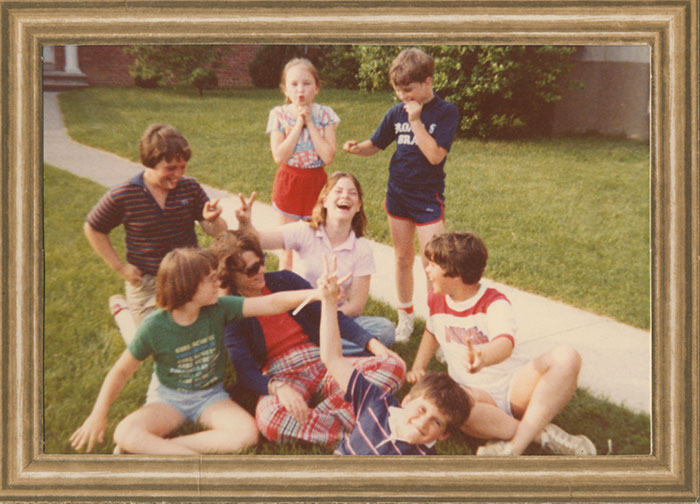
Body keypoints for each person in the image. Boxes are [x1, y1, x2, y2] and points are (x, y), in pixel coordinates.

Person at [70, 246, 327, 455]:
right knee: (124, 432)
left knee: (247, 434)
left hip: (210, 397)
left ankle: (159, 451)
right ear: (188, 286)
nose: (218, 282)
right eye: (210, 279)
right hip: (168, 399)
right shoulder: (155, 326)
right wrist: (97, 415)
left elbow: (270, 303)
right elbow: (121, 372)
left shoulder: (219, 308)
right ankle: (169, 454)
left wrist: (316, 293)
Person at [406, 231, 597, 456]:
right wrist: (419, 365)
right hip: (472, 393)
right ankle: (542, 435)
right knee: (458, 410)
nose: (427, 270)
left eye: (433, 265)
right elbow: (432, 331)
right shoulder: (437, 298)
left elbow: (504, 343)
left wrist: (484, 357)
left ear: (454, 272)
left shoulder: (494, 302)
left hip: (514, 387)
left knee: (567, 356)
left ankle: (514, 447)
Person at [212, 230, 405, 447]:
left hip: (322, 358)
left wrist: (374, 345)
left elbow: (333, 317)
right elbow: (245, 370)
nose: (262, 270)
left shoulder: (285, 280)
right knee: (270, 420)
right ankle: (366, 422)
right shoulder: (232, 310)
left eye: (262, 261)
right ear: (231, 276)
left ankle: (322, 421)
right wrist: (278, 389)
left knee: (394, 367)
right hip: (282, 374)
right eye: (251, 269)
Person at [343, 47, 459, 343]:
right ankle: (405, 317)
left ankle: (439, 329)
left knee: (434, 265)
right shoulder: (397, 112)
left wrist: (417, 121)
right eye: (398, 91)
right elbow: (376, 144)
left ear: (428, 82)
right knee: (403, 258)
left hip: (427, 199)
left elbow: (434, 155)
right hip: (398, 195)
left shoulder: (446, 112)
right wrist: (358, 149)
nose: (403, 97)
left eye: (408, 90)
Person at [84, 123, 227, 344]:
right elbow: (93, 228)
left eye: (182, 167)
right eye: (170, 168)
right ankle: (123, 313)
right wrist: (119, 267)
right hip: (149, 282)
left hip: (190, 276)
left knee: (203, 333)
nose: (178, 174)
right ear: (149, 163)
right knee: (151, 343)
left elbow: (217, 232)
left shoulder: (189, 188)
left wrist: (212, 219)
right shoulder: (124, 194)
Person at [317, 256, 472, 455]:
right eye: (422, 409)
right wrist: (329, 302)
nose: (422, 423)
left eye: (437, 421)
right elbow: (332, 358)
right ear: (406, 400)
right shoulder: (375, 403)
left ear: (442, 436)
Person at [234, 171, 395, 355]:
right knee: (365, 342)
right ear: (325, 200)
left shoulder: (362, 249)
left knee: (385, 329)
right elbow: (259, 240)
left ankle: (308, 350)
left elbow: (357, 305)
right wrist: (246, 223)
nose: (345, 196)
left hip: (335, 317)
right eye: (339, 191)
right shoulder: (305, 230)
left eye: (352, 193)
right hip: (299, 313)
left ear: (358, 206)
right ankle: (325, 352)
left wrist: (327, 319)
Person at [267, 57, 339, 271]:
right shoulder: (278, 114)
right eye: (294, 84)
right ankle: (285, 293)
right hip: (289, 181)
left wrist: (310, 122)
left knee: (317, 243)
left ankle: (316, 295)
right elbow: (279, 156)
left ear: (316, 88)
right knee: (286, 246)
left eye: (307, 84)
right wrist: (299, 122)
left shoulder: (326, 114)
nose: (301, 90)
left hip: (316, 182)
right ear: (285, 89)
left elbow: (328, 156)